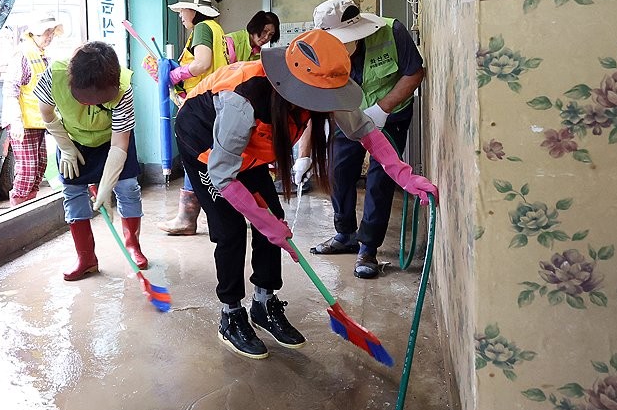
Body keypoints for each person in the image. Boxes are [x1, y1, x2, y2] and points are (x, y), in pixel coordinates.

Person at [174, 29, 437, 359]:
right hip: (206, 145)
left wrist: (405, 176)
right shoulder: (242, 103)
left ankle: (263, 303)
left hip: (247, 148)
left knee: (275, 217)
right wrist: (266, 224)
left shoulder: (321, 87)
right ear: (297, 86)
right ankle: (231, 314)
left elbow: (365, 132)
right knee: (230, 231)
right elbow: (223, 177)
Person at [306, 0, 427, 279]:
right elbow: (316, 95)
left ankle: (368, 246)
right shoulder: (320, 48)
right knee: (338, 171)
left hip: (390, 115)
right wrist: (303, 156)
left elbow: (415, 72)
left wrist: (382, 108)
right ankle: (344, 234)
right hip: (349, 115)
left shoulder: (391, 32)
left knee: (379, 179)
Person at [158, 0, 281, 235]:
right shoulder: (222, 33)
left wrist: (175, 75)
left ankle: (191, 218)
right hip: (219, 106)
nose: (181, 15)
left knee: (203, 159)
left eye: (183, 10)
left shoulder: (203, 29)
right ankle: (200, 215)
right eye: (264, 31)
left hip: (207, 107)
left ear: (193, 10)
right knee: (215, 161)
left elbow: (203, 64)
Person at [35, 41, 147, 280]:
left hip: (113, 139)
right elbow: (46, 113)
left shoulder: (123, 86)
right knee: (73, 191)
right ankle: (86, 258)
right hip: (73, 138)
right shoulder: (54, 75)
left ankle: (132, 246)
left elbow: (119, 145)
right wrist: (65, 147)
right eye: (84, 100)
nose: (91, 105)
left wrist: (106, 186)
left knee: (127, 188)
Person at [2, 14, 63, 205]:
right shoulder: (23, 55)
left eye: (52, 33)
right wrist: (16, 121)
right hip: (23, 122)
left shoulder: (43, 56)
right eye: (46, 33)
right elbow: (11, 90)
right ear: (34, 34)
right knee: (27, 169)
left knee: (39, 167)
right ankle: (17, 209)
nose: (49, 36)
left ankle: (28, 204)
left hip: (38, 121)